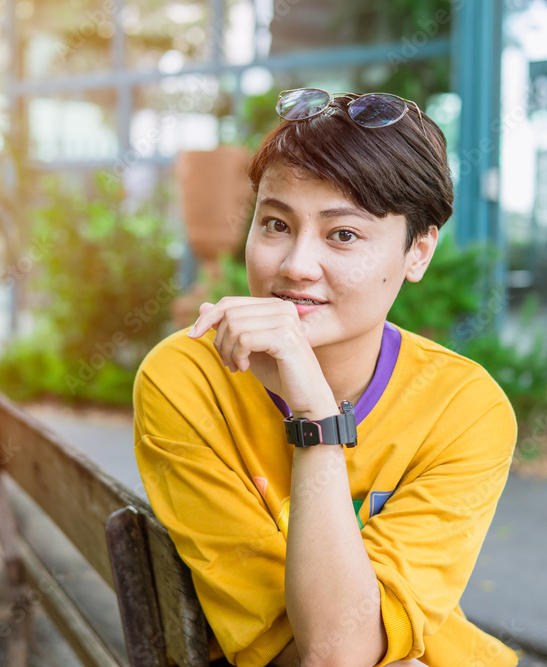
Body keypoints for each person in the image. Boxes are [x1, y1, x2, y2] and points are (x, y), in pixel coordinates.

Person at [134, 88, 518, 667]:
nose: (294, 265)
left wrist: (313, 404)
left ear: (418, 253)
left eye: (343, 234)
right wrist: (317, 420)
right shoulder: (188, 380)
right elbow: (335, 655)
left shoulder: (463, 409)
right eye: (275, 223)